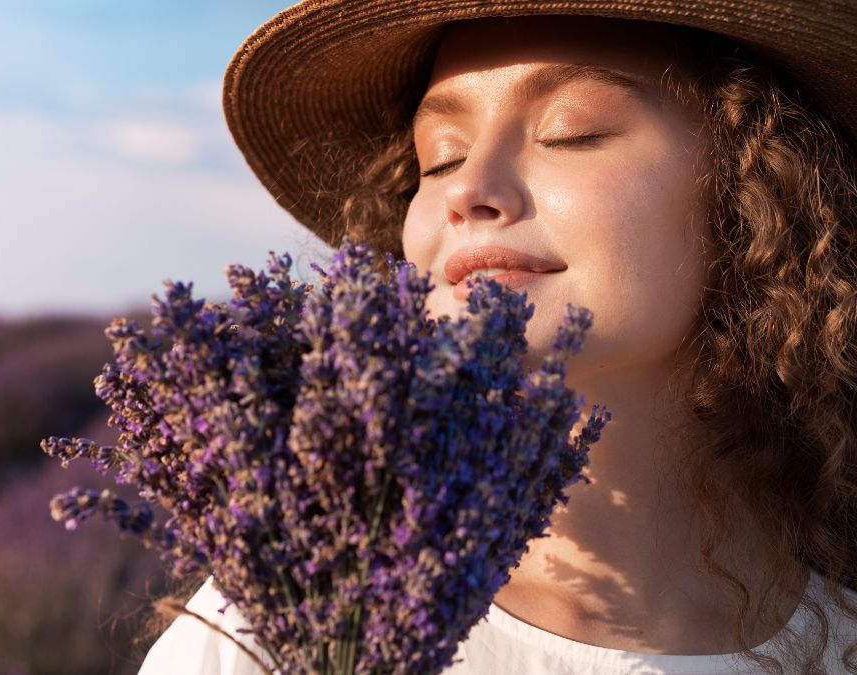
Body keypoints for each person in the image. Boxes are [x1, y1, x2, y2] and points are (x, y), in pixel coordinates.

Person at [137, 1, 857, 673]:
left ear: (760, 191)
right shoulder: (293, 630)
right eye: (438, 157)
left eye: (571, 132)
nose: (467, 185)